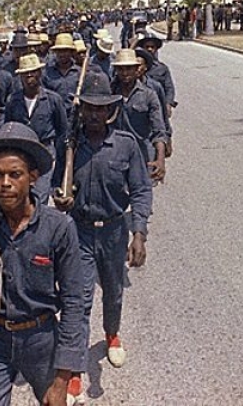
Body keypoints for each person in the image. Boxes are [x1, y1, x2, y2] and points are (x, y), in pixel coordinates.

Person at [0, 122, 85, 406]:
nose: (5, 184)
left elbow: (74, 302)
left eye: (15, 175)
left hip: (42, 341)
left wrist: (63, 379)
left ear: (33, 177)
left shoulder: (58, 227)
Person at [52, 72, 151, 377]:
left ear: (110, 111)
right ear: (81, 110)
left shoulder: (126, 145)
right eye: (89, 108)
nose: (94, 114)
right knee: (78, 300)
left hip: (113, 231)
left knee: (113, 291)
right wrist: (62, 199)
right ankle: (74, 371)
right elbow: (58, 185)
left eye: (100, 108)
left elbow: (140, 190)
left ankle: (112, 334)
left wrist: (139, 234)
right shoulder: (68, 145)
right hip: (78, 231)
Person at [5, 53, 69, 204]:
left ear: (40, 73)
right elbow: (8, 128)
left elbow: (62, 131)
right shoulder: (13, 101)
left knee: (40, 197)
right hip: (21, 153)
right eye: (25, 73)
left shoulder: (53, 100)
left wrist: (59, 159)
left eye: (33, 72)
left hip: (45, 153)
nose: (29, 76)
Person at [111, 49, 168, 184]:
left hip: (141, 155)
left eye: (129, 69)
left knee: (141, 197)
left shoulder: (149, 95)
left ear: (137, 69)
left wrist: (160, 160)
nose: (125, 73)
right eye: (121, 69)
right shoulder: (109, 93)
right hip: (115, 154)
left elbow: (158, 131)